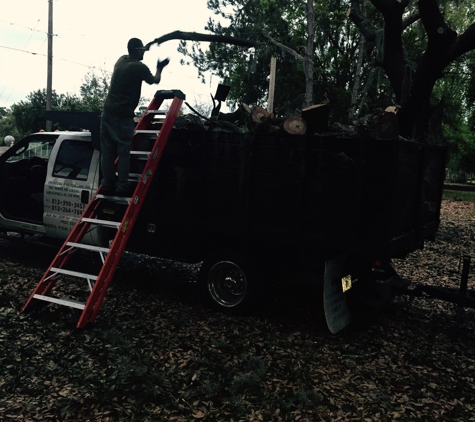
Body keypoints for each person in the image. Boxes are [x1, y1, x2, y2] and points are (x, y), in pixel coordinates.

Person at [100, 37, 169, 196]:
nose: (144, 53)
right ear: (137, 50)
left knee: (108, 151)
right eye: (142, 50)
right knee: (123, 151)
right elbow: (154, 80)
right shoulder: (138, 67)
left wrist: (144, 47)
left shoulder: (121, 60)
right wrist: (159, 67)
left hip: (108, 113)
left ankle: (107, 184)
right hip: (123, 116)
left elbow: (134, 52)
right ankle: (122, 185)